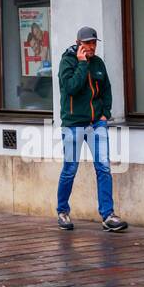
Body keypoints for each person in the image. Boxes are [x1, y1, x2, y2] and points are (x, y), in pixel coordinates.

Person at [56, 26, 127, 232]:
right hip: (73, 124)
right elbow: (71, 88)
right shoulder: (67, 62)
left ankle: (108, 215)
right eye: (88, 43)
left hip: (97, 124)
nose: (92, 46)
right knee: (70, 169)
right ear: (79, 43)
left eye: (94, 43)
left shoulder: (98, 63)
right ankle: (62, 211)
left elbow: (106, 89)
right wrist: (81, 64)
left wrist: (105, 113)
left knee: (103, 168)